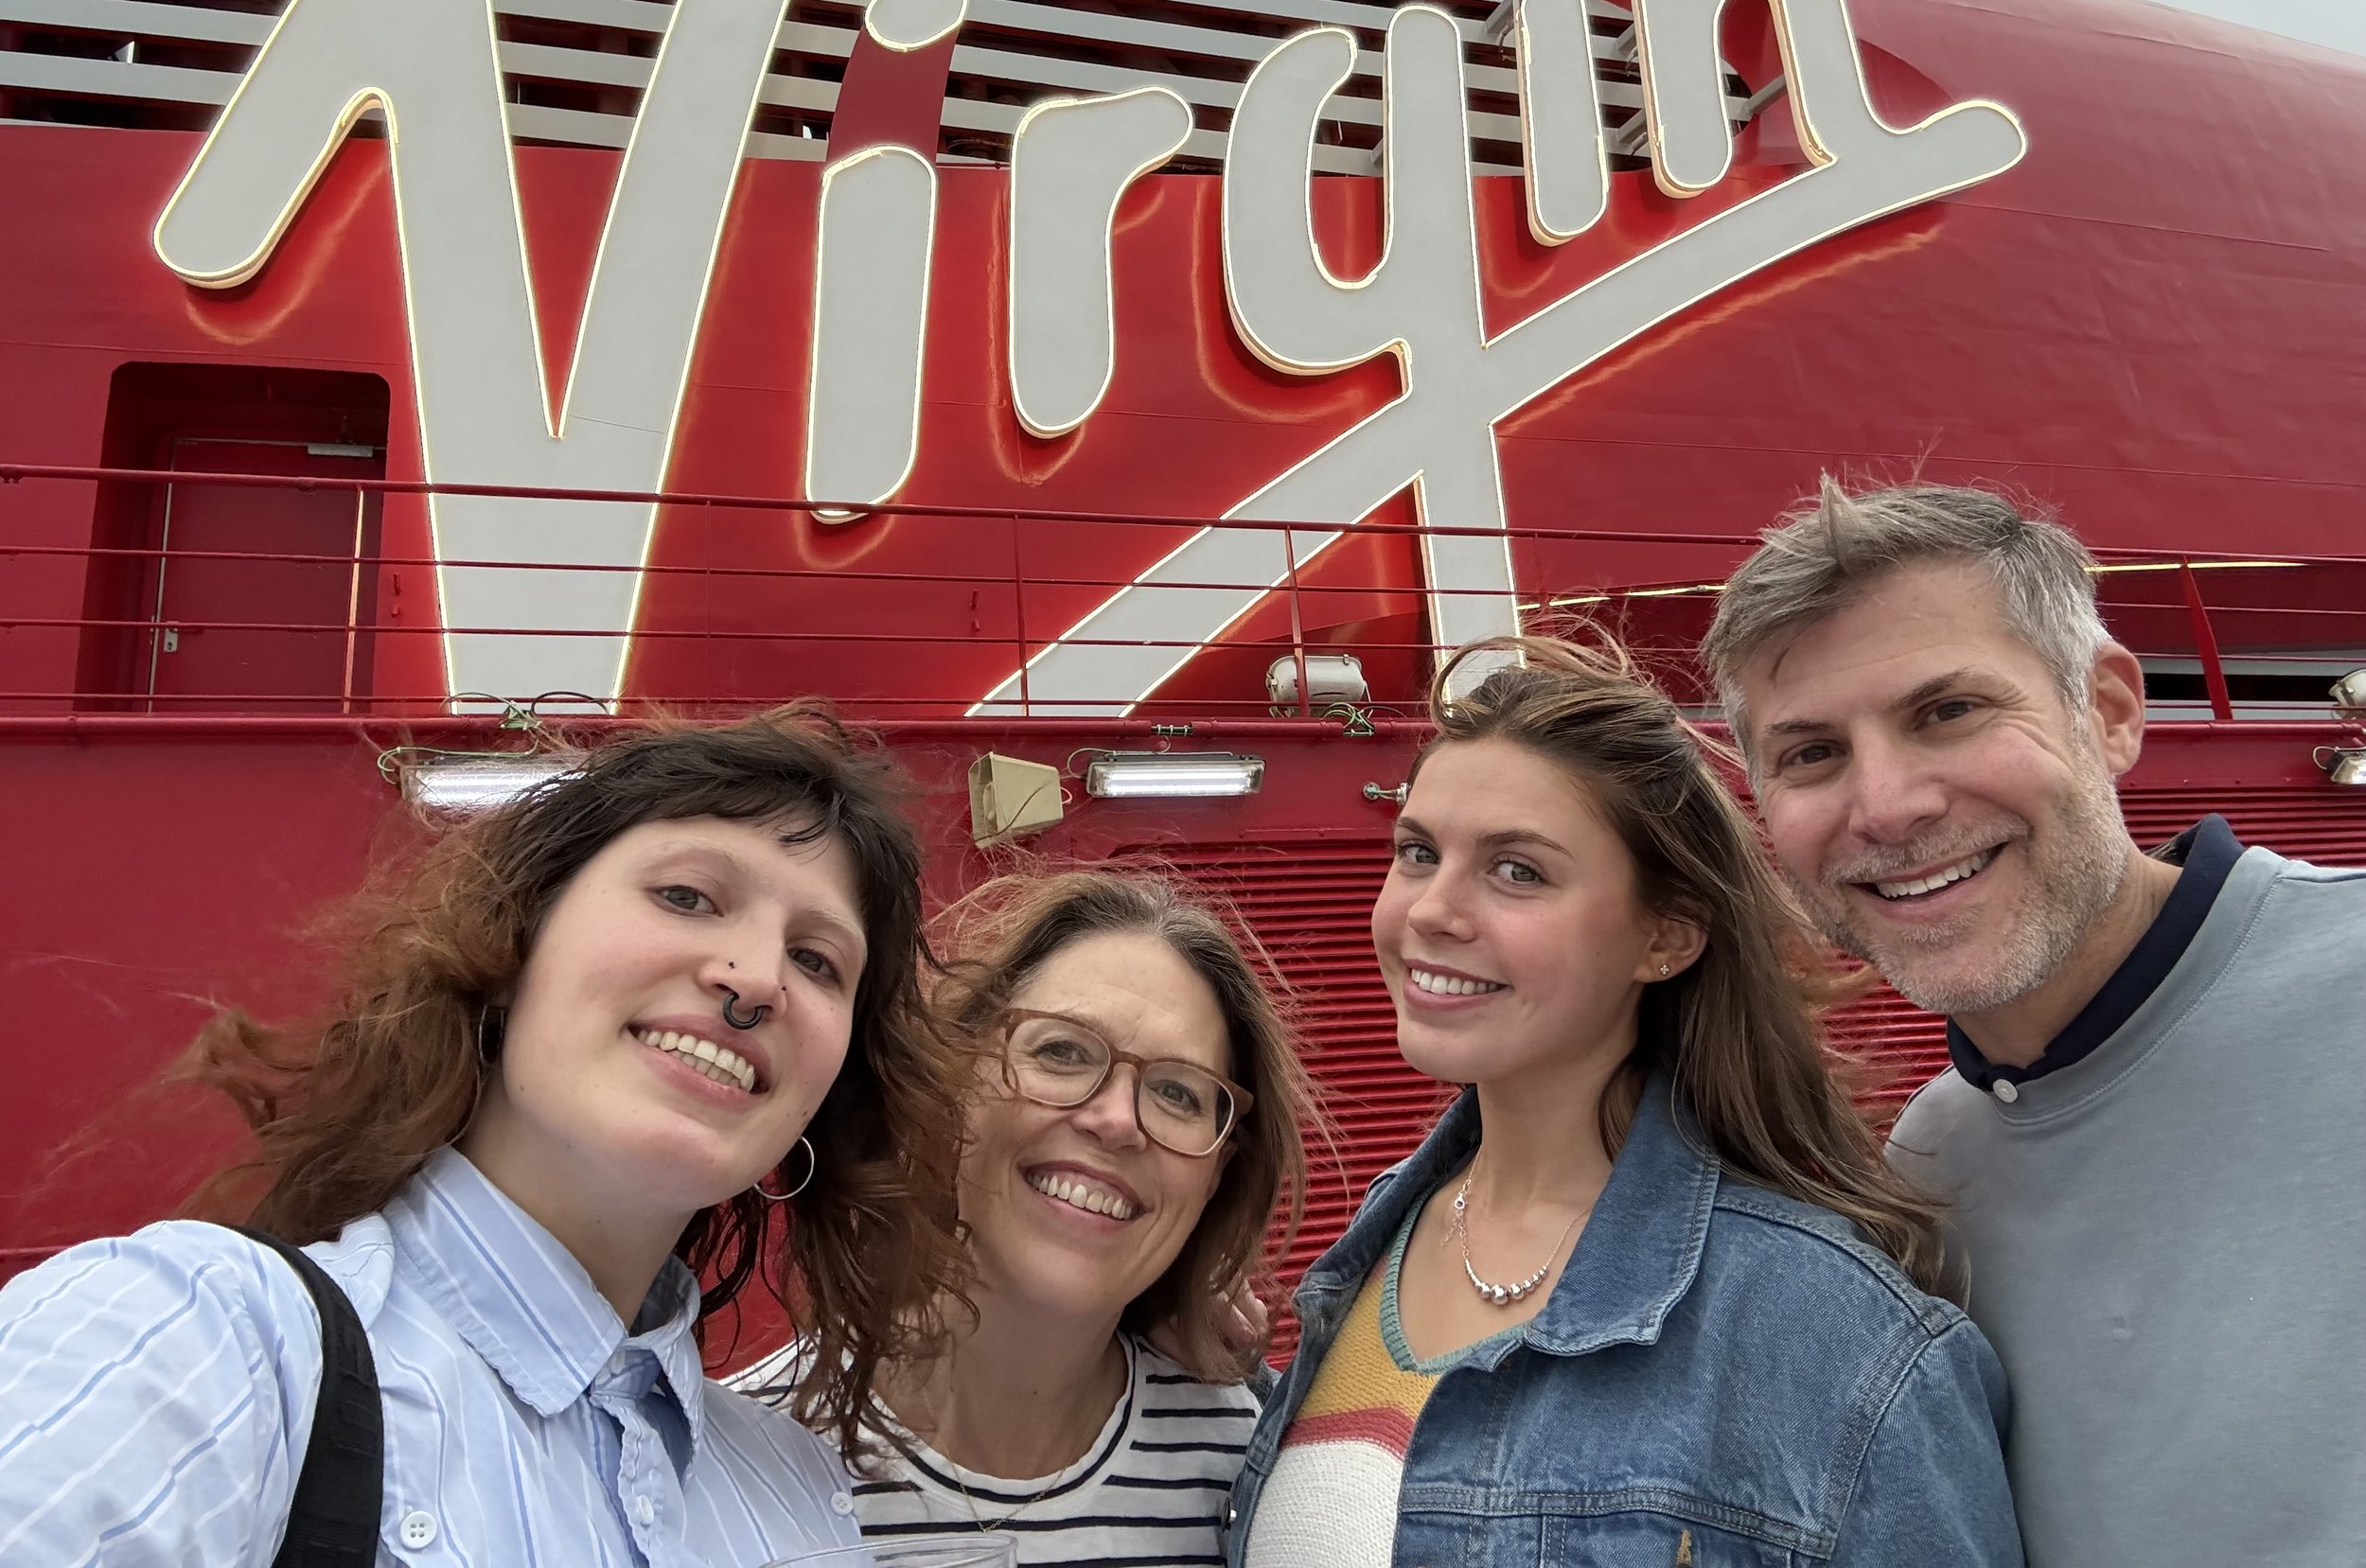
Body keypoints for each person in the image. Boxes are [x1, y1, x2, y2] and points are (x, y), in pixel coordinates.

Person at [0, 706, 968, 1565]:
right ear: (509, 947)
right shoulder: (200, 1342)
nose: (756, 979)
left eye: (817, 959)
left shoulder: (795, 1492)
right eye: (686, 895)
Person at [1233, 635, 2021, 1568]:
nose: (1430, 911)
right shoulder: (1378, 1236)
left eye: (1517, 870)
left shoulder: (1841, 1336)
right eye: (1417, 852)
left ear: (1666, 939)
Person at [1703, 480, 2366, 1567]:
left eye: (1947, 712)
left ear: (2107, 711)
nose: (1887, 806)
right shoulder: (1930, 1160)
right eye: (1811, 753)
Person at [747, 868, 1316, 1565]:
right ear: (954, 1080)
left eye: (1178, 1092)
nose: (1116, 1121)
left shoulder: (1246, 1470)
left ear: (1215, 1175)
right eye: (1062, 1051)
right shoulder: (739, 1462)